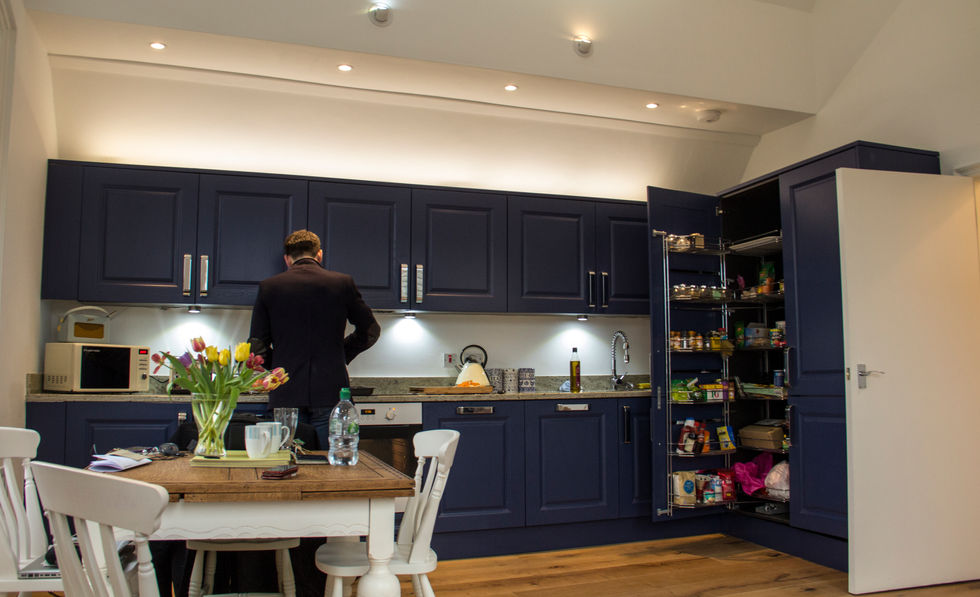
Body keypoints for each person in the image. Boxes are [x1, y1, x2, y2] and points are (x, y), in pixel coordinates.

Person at [249, 229, 380, 447]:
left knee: (288, 466)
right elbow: (370, 331)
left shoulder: (269, 287)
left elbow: (256, 346)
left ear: (287, 259)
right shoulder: (342, 283)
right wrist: (342, 354)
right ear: (319, 255)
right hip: (331, 392)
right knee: (335, 465)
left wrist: (281, 369)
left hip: (286, 396)